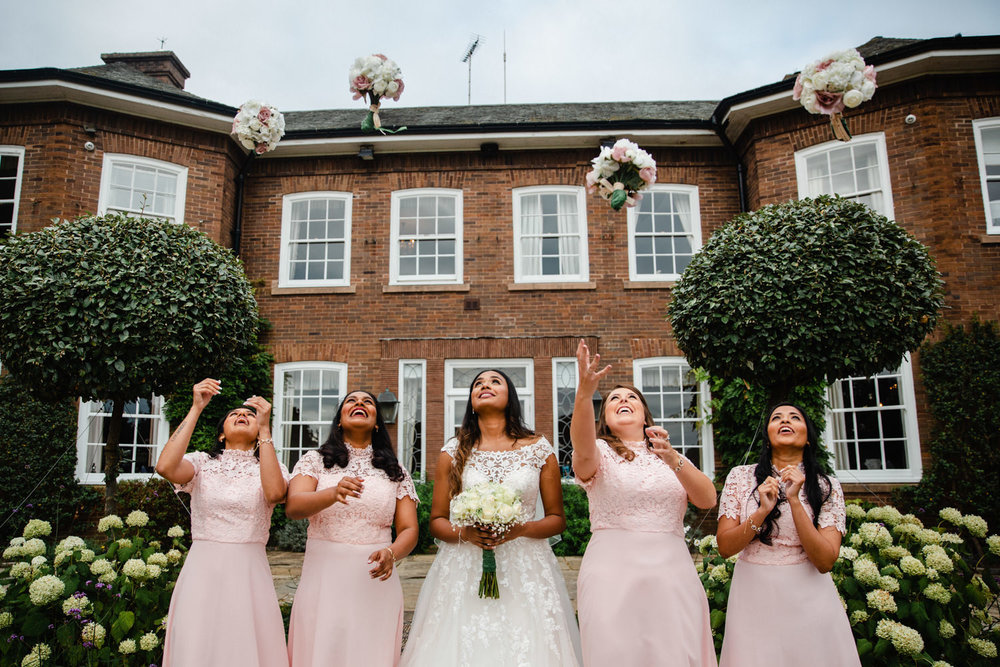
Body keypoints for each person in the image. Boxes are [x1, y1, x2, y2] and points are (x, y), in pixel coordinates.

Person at [401, 369, 582, 667]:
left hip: (526, 568)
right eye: (478, 384)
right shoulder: (453, 451)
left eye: (495, 381)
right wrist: (467, 533)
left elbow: (556, 519)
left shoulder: (538, 449)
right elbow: (437, 520)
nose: (485, 385)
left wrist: (520, 528)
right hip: (465, 566)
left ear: (510, 396)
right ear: (471, 401)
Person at [570, 340, 718, 666]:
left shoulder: (670, 455)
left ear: (644, 414)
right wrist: (584, 393)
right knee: (616, 653)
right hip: (612, 572)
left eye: (631, 397)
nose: (623, 400)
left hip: (672, 572)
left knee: (677, 652)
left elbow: (707, 499)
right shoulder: (599, 451)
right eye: (614, 399)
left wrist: (673, 458)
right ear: (605, 419)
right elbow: (580, 445)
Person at [156, 378, 289, 667]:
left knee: (244, 643)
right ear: (220, 435)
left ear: (258, 433)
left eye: (250, 416)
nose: (242, 415)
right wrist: (196, 407)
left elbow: (276, 493)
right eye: (234, 414)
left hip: (249, 570)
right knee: (199, 641)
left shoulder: (271, 467)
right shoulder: (202, 463)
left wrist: (266, 428)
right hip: (203, 568)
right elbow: (165, 467)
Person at [716, 403, 860, 667]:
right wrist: (762, 511)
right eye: (777, 418)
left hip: (808, 593)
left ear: (807, 438)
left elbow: (825, 561)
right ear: (768, 436)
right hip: (753, 592)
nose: (786, 421)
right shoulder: (740, 477)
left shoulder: (826, 486)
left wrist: (794, 500)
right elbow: (725, 547)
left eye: (795, 417)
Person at [285, 390, 419, 667]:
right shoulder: (315, 460)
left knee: (369, 652)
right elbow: (294, 507)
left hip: (374, 577)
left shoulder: (396, 470)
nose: (360, 403)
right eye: (351, 401)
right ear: (339, 421)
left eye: (367, 402)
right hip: (324, 575)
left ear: (378, 422)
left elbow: (409, 529)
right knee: (323, 648)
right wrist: (332, 493)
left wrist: (392, 553)